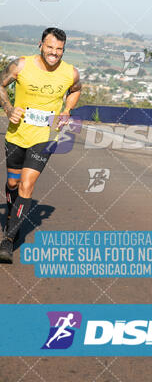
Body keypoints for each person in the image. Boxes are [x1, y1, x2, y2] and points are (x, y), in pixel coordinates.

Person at [0, 27, 81, 263]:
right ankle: (11, 212)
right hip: (16, 135)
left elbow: (76, 91)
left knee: (27, 184)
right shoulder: (21, 65)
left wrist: (67, 110)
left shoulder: (71, 73)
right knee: (13, 182)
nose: (54, 53)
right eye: (50, 47)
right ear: (40, 45)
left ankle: (8, 239)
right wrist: (8, 109)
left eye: (59, 49)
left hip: (46, 137)